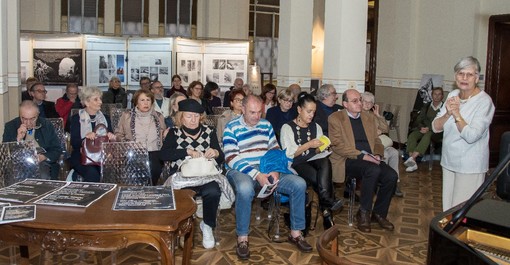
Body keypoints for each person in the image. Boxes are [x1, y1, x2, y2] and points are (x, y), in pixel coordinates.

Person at [223, 95, 312, 260]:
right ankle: (242, 238)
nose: (257, 116)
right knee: (244, 188)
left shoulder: (266, 125)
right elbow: (231, 158)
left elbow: (275, 149)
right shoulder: (231, 127)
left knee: (299, 184)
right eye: (252, 112)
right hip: (241, 169)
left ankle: (296, 233)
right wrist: (257, 175)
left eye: (259, 112)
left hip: (267, 168)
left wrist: (275, 170)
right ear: (242, 109)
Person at [328, 89, 398, 233]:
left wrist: (378, 154)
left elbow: (377, 140)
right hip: (347, 159)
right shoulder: (335, 118)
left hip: (371, 158)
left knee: (391, 176)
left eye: (360, 99)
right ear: (345, 104)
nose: (360, 103)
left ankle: (379, 213)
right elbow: (337, 145)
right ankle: (364, 213)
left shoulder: (368, 117)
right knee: (372, 170)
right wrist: (362, 156)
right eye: (355, 101)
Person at [431, 56, 495, 211]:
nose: (464, 78)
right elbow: (435, 127)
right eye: (461, 73)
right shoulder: (453, 94)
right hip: (449, 161)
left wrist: (457, 114)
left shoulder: (484, 102)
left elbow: (472, 135)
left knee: (462, 211)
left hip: (470, 165)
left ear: (477, 78)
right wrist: (447, 113)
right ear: (455, 76)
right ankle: (446, 235)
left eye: (470, 74)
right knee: (448, 209)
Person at [160, 99, 224, 249]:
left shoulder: (209, 131)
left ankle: (207, 226)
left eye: (196, 116)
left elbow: (221, 157)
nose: (193, 120)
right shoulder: (174, 133)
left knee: (213, 191)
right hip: (183, 178)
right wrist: (186, 151)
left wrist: (215, 152)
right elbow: (163, 155)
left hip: (205, 175)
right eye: (189, 116)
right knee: (180, 195)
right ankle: (180, 230)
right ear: (181, 116)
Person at [280, 93, 343, 230]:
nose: (311, 115)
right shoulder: (287, 128)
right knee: (320, 179)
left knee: (326, 163)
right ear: (299, 110)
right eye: (308, 111)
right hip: (296, 163)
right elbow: (289, 154)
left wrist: (323, 147)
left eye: (313, 112)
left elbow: (318, 150)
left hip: (314, 159)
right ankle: (327, 209)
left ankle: (326, 201)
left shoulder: (316, 127)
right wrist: (309, 144)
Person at [115, 89, 167, 185]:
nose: (146, 103)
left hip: (154, 152)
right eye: (142, 100)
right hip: (134, 152)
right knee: (137, 177)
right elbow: (118, 134)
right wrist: (128, 143)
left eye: (148, 100)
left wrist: (165, 135)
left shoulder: (159, 116)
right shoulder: (127, 116)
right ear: (136, 102)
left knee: (154, 170)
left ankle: (150, 191)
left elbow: (163, 135)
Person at [2, 100, 62, 180]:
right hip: (17, 164)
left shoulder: (46, 125)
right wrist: (18, 139)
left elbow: (57, 149)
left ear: (38, 115)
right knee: (14, 177)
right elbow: (5, 154)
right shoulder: (10, 126)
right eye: (24, 119)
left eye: (32, 119)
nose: (28, 123)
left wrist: (43, 157)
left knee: (42, 176)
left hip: (42, 163)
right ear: (20, 115)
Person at [69, 86, 116, 182]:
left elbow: (111, 143)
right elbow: (74, 143)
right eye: (96, 99)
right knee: (92, 174)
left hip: (102, 155)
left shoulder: (105, 118)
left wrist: (112, 137)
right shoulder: (76, 118)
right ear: (86, 102)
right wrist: (86, 139)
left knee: (110, 171)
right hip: (82, 155)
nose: (100, 102)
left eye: (100, 99)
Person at [361, 92, 403, 197]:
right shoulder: (358, 114)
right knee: (385, 154)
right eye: (365, 101)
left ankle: (394, 182)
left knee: (394, 152)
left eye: (370, 102)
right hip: (369, 145)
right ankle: (381, 182)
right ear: (360, 101)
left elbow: (386, 129)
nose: (367, 104)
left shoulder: (373, 115)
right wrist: (375, 132)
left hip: (380, 142)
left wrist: (378, 116)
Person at [404, 87, 444, 172]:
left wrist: (429, 128)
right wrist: (421, 127)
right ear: (432, 95)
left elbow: (444, 123)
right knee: (412, 136)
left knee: (428, 136)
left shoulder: (445, 108)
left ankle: (412, 158)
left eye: (439, 94)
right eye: (434, 94)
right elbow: (419, 119)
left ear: (442, 96)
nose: (436, 96)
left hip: (436, 131)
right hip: (423, 128)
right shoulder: (426, 106)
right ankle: (413, 162)